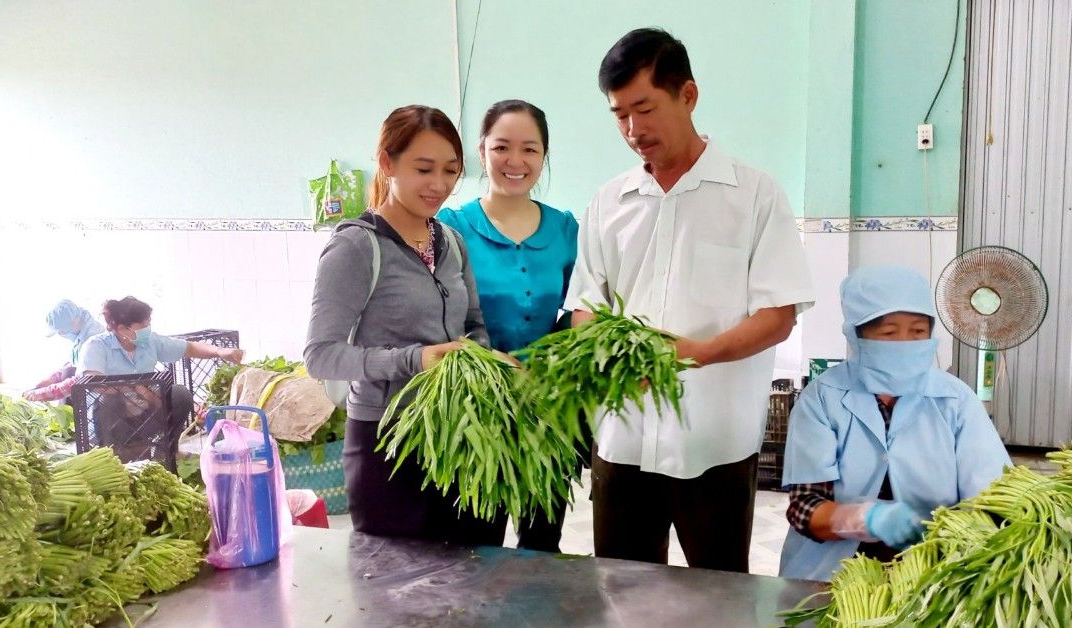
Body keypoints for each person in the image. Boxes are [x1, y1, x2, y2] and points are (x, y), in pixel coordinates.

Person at [564, 28, 814, 573]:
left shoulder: (754, 194)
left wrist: (694, 354)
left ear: (688, 95)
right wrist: (609, 358)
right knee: (622, 589)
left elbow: (778, 317)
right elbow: (585, 306)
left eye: (645, 109)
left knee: (720, 591)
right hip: (624, 436)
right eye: (620, 115)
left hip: (716, 441)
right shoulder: (609, 201)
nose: (633, 130)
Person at [304, 105, 503, 547]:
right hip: (387, 440)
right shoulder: (356, 246)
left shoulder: (451, 242)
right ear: (387, 163)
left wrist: (483, 360)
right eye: (424, 169)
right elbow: (320, 355)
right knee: (396, 577)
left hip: (457, 431)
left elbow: (474, 324)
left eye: (451, 170)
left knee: (469, 570)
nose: (439, 184)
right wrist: (415, 360)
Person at [778, 266, 1010, 581]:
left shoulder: (955, 400)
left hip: (933, 574)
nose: (905, 343)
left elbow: (993, 496)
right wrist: (867, 519)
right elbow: (804, 508)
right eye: (889, 333)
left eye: (918, 331)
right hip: (831, 572)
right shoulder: (821, 399)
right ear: (857, 335)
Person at [437, 99, 582, 553]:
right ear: (482, 151)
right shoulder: (451, 227)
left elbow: (580, 311)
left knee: (542, 543)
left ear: (544, 156)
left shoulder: (565, 229)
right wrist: (487, 361)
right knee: (476, 544)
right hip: (476, 408)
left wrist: (558, 356)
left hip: (547, 407)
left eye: (530, 149)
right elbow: (436, 316)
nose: (515, 161)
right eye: (501, 147)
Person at [76, 296, 243, 444]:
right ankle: (115, 451)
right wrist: (133, 387)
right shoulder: (96, 346)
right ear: (122, 329)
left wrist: (219, 351)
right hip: (109, 421)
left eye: (148, 323)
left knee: (179, 394)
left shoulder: (151, 341)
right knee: (109, 400)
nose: (148, 328)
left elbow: (189, 348)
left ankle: (166, 448)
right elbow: (93, 382)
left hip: (143, 411)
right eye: (143, 325)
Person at [22, 299, 105, 402]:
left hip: (99, 401)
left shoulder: (93, 340)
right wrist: (52, 378)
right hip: (86, 396)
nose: (61, 334)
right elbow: (75, 364)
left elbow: (79, 380)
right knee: (67, 371)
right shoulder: (81, 335)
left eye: (62, 330)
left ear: (74, 321)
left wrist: (43, 393)